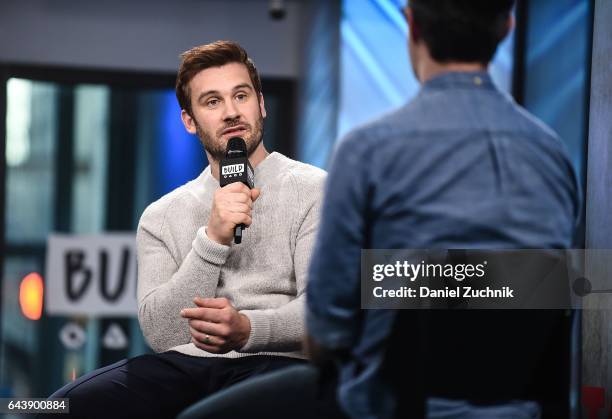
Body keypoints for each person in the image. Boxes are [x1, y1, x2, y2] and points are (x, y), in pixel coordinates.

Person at [306, 1, 580, 418]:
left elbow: (325, 333)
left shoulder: (367, 151)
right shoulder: (553, 155)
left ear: (412, 24)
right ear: (506, 26)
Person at [44, 40, 326, 419]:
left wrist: (246, 329)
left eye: (240, 96)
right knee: (50, 410)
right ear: (189, 121)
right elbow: (162, 334)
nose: (231, 112)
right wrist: (212, 239)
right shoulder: (161, 215)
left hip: (278, 364)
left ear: (261, 104)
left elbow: (323, 311)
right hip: (184, 368)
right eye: (212, 102)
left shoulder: (315, 189)